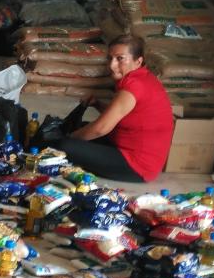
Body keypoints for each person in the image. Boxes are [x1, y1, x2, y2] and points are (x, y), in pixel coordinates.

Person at [56, 34, 174, 182]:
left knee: (65, 145)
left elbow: (101, 129)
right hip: (125, 147)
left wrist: (70, 139)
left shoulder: (135, 85)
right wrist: (98, 105)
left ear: (138, 61)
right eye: (110, 58)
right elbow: (125, 115)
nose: (112, 65)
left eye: (120, 59)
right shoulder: (142, 77)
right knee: (83, 129)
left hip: (137, 166)